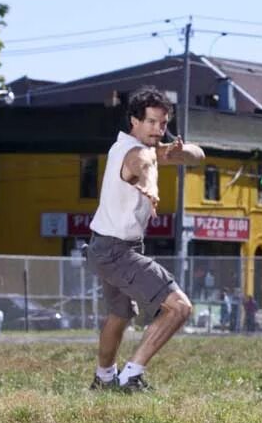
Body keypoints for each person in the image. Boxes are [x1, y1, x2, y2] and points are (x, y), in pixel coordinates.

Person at [85, 85, 205, 392]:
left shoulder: (139, 146)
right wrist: (151, 186)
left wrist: (177, 150)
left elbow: (197, 156)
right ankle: (130, 376)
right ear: (134, 121)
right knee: (179, 307)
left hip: (104, 246)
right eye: (151, 122)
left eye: (163, 123)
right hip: (116, 252)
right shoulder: (133, 152)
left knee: (119, 314)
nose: (157, 128)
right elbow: (144, 166)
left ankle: (104, 378)